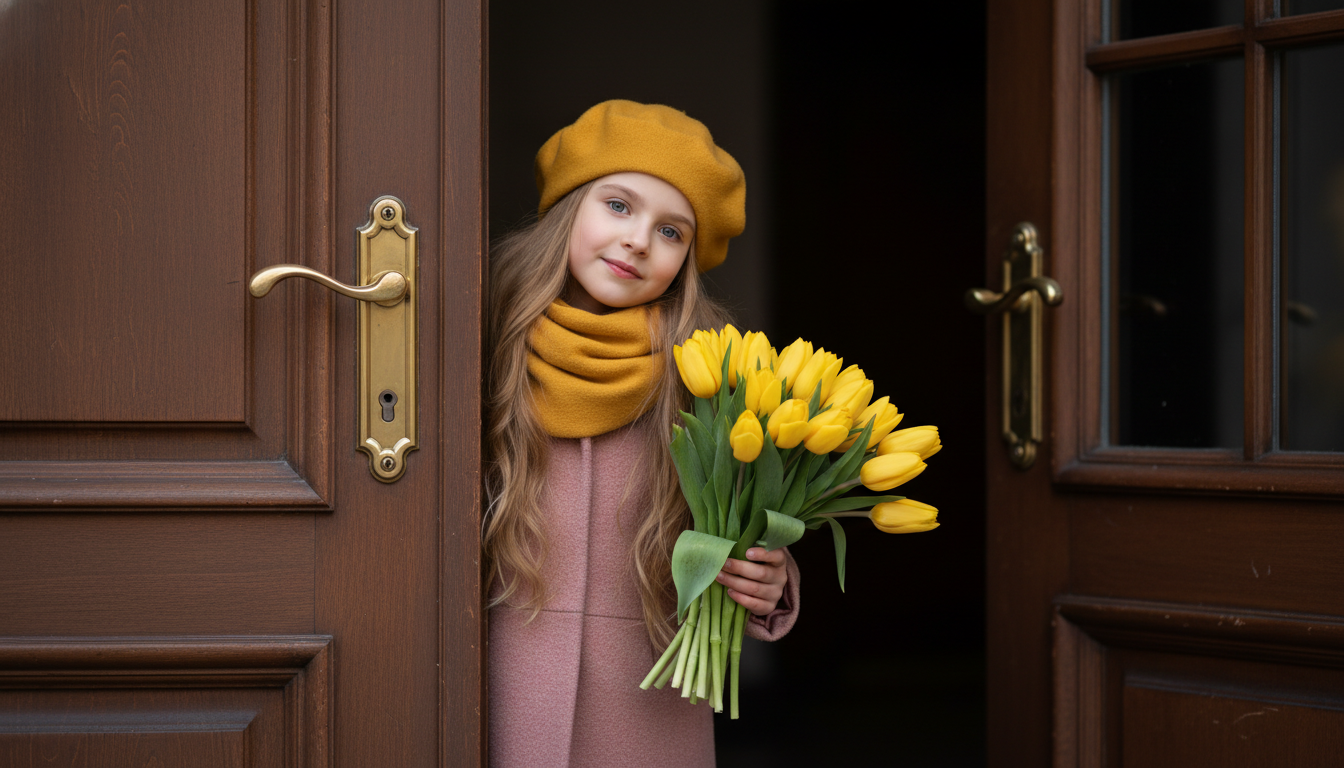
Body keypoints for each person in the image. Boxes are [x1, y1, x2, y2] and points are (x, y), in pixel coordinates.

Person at [484, 100, 802, 767]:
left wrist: (769, 583)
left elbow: (741, 518)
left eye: (671, 231)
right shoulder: (488, 336)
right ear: (570, 205)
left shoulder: (708, 368)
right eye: (619, 206)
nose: (636, 240)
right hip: (498, 672)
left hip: (649, 692)